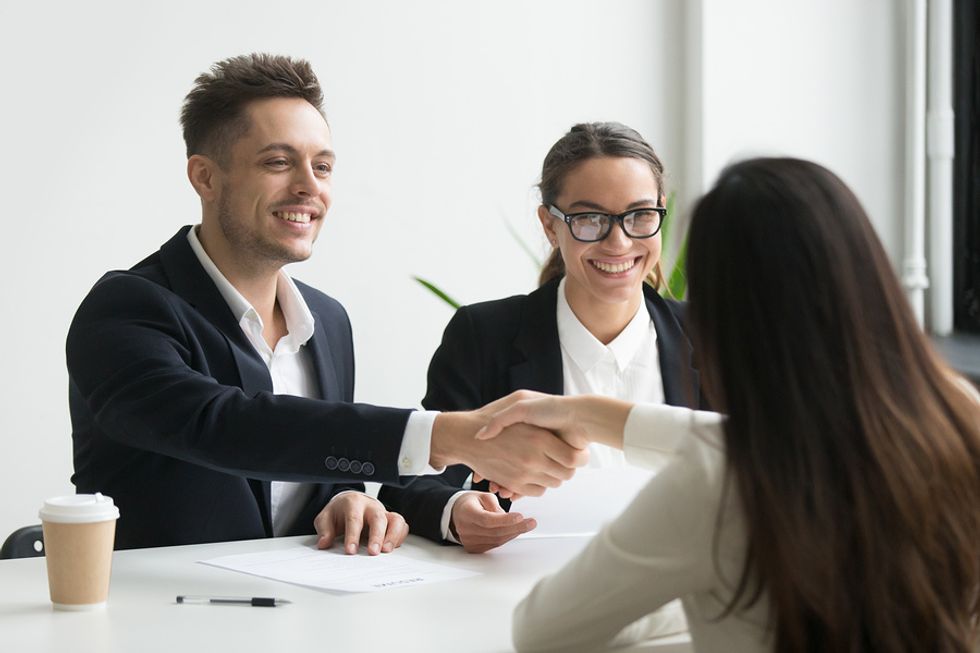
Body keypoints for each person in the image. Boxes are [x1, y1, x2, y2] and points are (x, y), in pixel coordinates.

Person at [66, 53, 587, 552]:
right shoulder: (126, 309)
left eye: (323, 166)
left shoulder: (327, 321)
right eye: (277, 162)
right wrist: (445, 435)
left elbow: (307, 453)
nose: (308, 187)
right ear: (204, 176)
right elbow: (223, 424)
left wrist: (344, 499)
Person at [477, 157, 980, 652]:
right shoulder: (959, 413)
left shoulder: (713, 483)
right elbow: (761, 443)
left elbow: (543, 629)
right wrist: (591, 415)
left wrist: (691, 591)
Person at [381, 121, 700, 561]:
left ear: (659, 212)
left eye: (640, 216)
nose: (619, 241)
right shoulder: (485, 334)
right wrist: (455, 511)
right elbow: (413, 477)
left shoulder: (715, 341)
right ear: (550, 226)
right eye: (589, 218)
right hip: (527, 591)